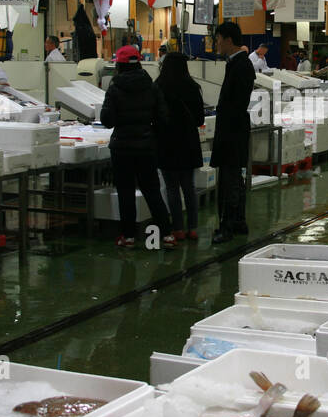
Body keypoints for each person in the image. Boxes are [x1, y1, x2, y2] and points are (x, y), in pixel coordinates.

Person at [99, 45, 175, 249]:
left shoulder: (115, 88)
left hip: (121, 148)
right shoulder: (151, 86)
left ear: (120, 66)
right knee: (152, 191)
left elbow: (107, 120)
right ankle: (167, 235)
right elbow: (163, 118)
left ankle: (129, 237)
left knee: (125, 192)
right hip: (146, 148)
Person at [211, 22, 255, 244]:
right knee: (235, 178)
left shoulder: (240, 66)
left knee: (229, 181)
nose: (216, 43)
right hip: (235, 131)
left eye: (218, 38)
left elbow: (235, 104)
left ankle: (227, 227)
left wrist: (224, 133)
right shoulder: (238, 64)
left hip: (232, 132)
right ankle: (238, 222)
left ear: (228, 39)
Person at [155, 52, 205, 241]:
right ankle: (192, 228)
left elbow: (155, 117)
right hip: (188, 143)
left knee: (172, 189)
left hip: (166, 142)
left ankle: (177, 229)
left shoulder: (158, 87)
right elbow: (200, 119)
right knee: (189, 187)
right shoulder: (192, 87)